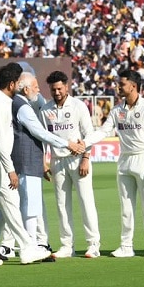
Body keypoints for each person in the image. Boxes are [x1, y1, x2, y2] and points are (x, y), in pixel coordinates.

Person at [0, 72, 83, 259]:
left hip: (20, 159)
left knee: (10, 205)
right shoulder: (23, 107)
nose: (39, 91)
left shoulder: (16, 104)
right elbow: (39, 132)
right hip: (27, 159)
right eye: (36, 87)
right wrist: (67, 143)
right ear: (26, 88)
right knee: (30, 205)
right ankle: (29, 247)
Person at [0, 63, 53, 268]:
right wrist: (10, 170)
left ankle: (26, 247)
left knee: (11, 204)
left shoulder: (0, 100)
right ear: (13, 83)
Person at [84, 68, 144, 258]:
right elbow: (103, 131)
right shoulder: (117, 110)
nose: (118, 87)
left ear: (133, 86)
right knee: (126, 206)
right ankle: (126, 246)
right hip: (125, 159)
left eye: (122, 84)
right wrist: (84, 143)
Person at [42, 70, 101, 259]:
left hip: (77, 159)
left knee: (86, 201)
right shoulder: (45, 109)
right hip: (58, 161)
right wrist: (45, 161)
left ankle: (93, 245)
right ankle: (67, 245)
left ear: (66, 87)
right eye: (53, 89)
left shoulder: (78, 106)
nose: (57, 92)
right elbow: (44, 138)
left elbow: (88, 133)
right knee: (61, 204)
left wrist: (86, 157)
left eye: (59, 88)